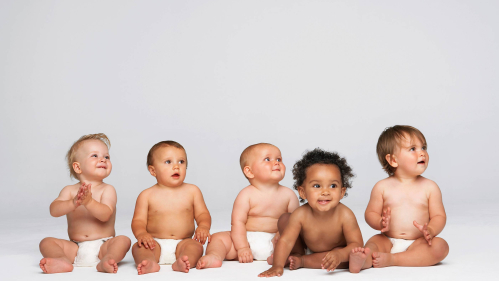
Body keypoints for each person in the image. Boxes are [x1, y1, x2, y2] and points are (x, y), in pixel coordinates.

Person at [349, 125, 449, 273]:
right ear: (393, 160)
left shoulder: (430, 187)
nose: (422, 153)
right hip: (387, 239)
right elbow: (370, 213)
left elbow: (439, 216)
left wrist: (431, 230)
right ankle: (363, 259)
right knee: (374, 243)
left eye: (424, 147)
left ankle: (394, 259)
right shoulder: (382, 187)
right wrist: (379, 222)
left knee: (441, 247)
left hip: (418, 242)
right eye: (413, 149)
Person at [259, 148, 363, 277]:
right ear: (302, 192)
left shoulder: (345, 215)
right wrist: (277, 266)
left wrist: (339, 255)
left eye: (333, 186)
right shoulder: (301, 214)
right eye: (317, 186)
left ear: (342, 192)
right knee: (285, 219)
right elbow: (286, 241)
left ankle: (302, 261)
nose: (325, 192)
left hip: (332, 253)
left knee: (348, 258)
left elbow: (357, 245)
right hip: (306, 246)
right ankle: (296, 254)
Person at [196, 143, 299, 269]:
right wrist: (242, 247)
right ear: (249, 171)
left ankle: (281, 257)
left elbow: (295, 222)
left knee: (295, 241)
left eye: (279, 159)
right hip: (247, 240)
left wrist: (281, 234)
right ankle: (214, 256)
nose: (276, 163)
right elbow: (237, 223)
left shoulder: (289, 195)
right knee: (218, 238)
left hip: (276, 241)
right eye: (268, 159)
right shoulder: (246, 194)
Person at [39, 133, 131, 274]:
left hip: (103, 245)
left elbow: (105, 214)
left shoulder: (107, 189)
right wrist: (73, 202)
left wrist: (89, 202)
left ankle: (108, 259)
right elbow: (54, 210)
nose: (103, 159)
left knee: (123, 241)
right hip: (75, 247)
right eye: (95, 156)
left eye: (106, 157)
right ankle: (62, 259)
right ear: (77, 167)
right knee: (46, 242)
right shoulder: (69, 191)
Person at [131, 140, 211, 274]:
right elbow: (138, 221)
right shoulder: (146, 195)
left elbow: (203, 214)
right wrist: (142, 234)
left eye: (181, 162)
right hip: (154, 243)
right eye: (168, 162)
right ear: (153, 170)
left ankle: (183, 262)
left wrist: (203, 226)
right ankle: (149, 262)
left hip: (184, 242)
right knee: (138, 248)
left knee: (196, 247)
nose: (176, 167)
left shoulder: (193, 191)